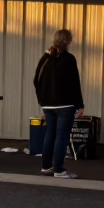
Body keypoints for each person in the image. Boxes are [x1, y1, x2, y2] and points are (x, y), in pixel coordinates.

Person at [33, 29, 84, 179]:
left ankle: (46, 166)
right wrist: (79, 104)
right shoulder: (69, 59)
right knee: (61, 136)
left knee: (50, 134)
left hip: (48, 104)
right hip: (64, 104)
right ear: (68, 41)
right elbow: (75, 83)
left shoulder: (45, 58)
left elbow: (36, 79)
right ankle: (59, 169)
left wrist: (41, 98)